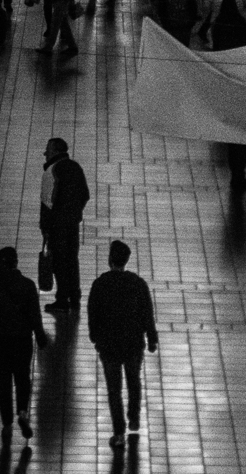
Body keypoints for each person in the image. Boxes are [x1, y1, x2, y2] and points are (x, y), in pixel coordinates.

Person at [87, 239, 159, 448]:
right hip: (133, 343)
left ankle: (119, 433)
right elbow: (147, 314)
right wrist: (152, 338)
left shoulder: (100, 285)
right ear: (127, 260)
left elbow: (93, 314)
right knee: (134, 380)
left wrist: (95, 336)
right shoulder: (137, 283)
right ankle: (134, 417)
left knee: (114, 389)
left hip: (109, 345)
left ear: (110, 260)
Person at [0, 246, 49, 444]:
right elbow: (35, 316)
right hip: (22, 340)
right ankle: (23, 413)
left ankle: (7, 425)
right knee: (22, 378)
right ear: (16, 263)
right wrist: (41, 337)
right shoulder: (27, 285)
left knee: (3, 383)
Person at [208, 0, 246, 191]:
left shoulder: (218, 23)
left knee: (233, 143)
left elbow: (217, 45)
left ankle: (236, 175)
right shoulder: (240, 22)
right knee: (242, 144)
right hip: (239, 71)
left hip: (225, 71)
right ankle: (239, 175)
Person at [40, 136, 91, 313]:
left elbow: (47, 203)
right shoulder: (75, 167)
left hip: (56, 226)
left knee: (59, 262)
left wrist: (46, 229)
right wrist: (75, 212)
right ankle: (75, 296)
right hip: (72, 224)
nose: (45, 154)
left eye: (48, 150)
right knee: (71, 260)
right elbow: (85, 194)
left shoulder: (51, 171)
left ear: (55, 151)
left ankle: (62, 299)